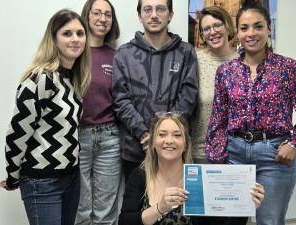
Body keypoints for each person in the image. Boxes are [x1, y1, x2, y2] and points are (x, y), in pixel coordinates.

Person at [205, 1, 296, 225]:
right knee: (228, 222)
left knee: (269, 221)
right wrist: (217, 157)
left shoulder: (289, 68)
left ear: (269, 29)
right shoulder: (226, 72)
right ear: (237, 32)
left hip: (274, 157)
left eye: (258, 26)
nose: (251, 33)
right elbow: (218, 118)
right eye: (244, 28)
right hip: (234, 156)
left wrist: (295, 144)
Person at [0, 9, 91, 225]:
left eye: (80, 33)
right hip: (42, 181)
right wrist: (13, 175)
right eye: (67, 33)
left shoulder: (72, 79)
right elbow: (17, 133)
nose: (76, 39)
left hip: (71, 178)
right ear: (54, 38)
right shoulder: (41, 79)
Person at [118, 112, 265, 225]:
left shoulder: (200, 178)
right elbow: (124, 221)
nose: (169, 141)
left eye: (177, 135)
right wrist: (160, 208)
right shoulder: (140, 175)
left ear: (185, 144)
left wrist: (245, 205)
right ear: (153, 143)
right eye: (162, 134)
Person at [113, 0, 198, 182]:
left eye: (160, 9)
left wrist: (165, 134)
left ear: (170, 14)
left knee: (173, 206)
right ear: (139, 15)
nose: (153, 15)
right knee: (135, 208)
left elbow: (188, 96)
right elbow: (121, 100)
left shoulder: (186, 52)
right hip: (136, 149)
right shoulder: (124, 54)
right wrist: (145, 134)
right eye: (147, 9)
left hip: (173, 149)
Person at [75, 1, 121, 225]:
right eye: (97, 13)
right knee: (80, 210)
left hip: (110, 138)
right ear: (87, 15)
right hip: (76, 138)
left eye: (108, 14)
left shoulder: (117, 56)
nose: (103, 19)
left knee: (105, 211)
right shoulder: (73, 50)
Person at [191, 6, 237, 164]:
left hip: (237, 153)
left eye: (217, 25)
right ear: (202, 34)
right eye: (207, 28)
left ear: (227, 26)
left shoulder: (243, 62)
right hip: (199, 153)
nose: (213, 32)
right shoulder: (194, 60)